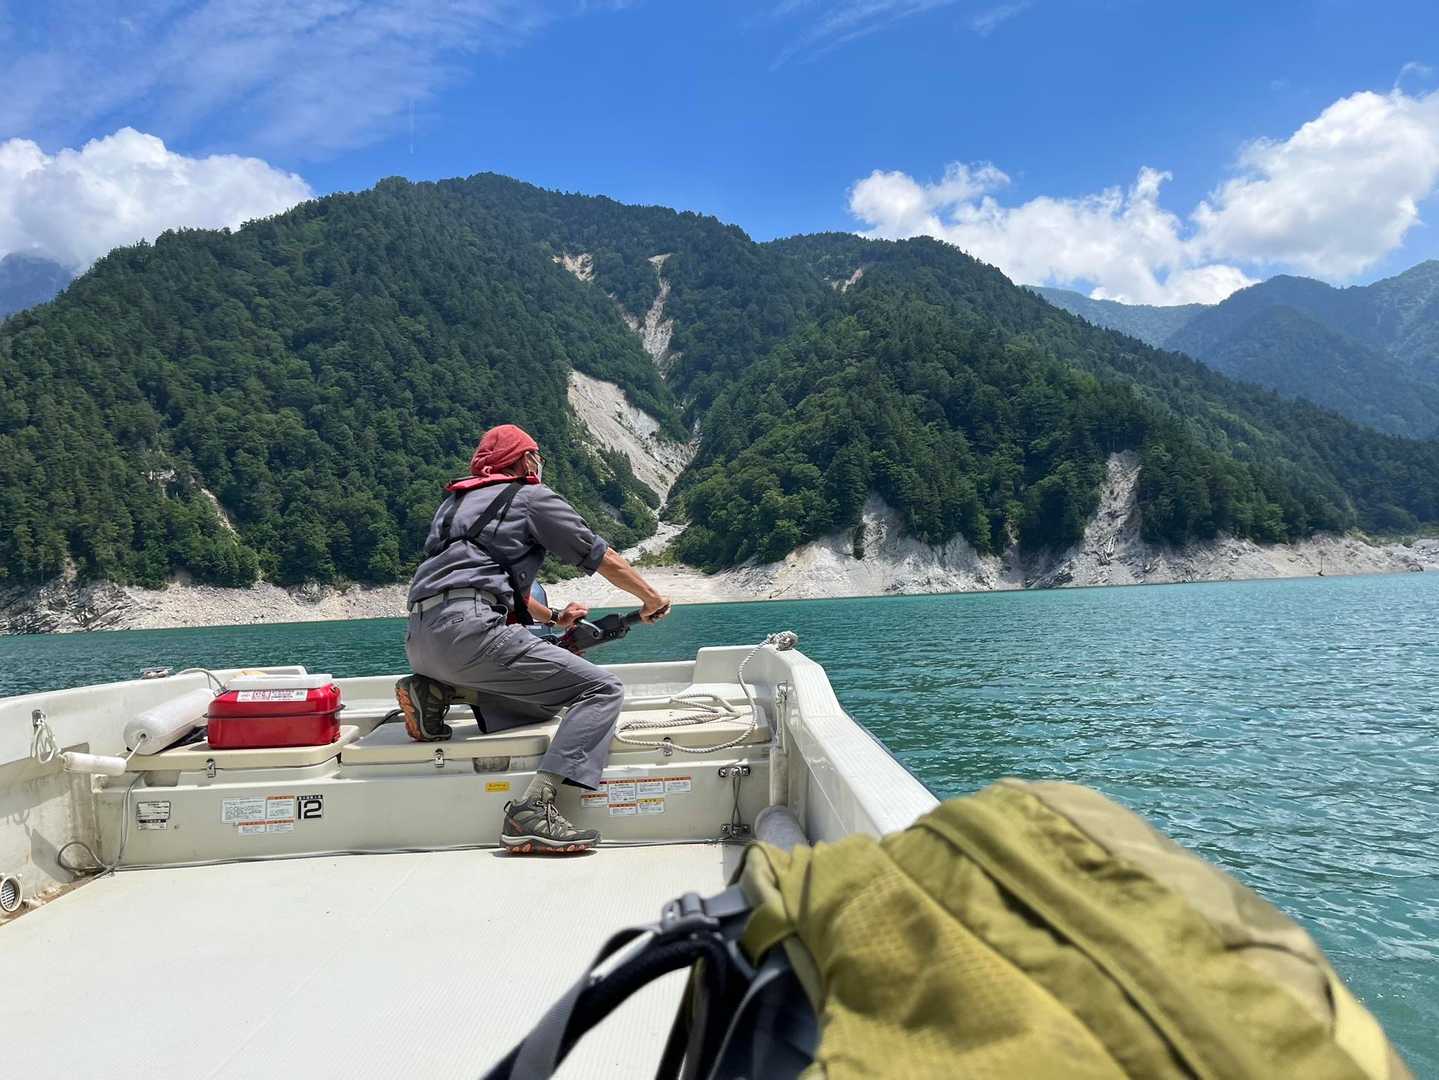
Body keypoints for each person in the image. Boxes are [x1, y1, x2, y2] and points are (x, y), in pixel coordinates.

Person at [397, 423, 671, 854]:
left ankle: (438, 691)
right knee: (602, 690)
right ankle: (533, 809)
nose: (539, 464)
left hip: (420, 640)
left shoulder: (453, 505)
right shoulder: (529, 497)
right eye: (537, 456)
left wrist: (555, 618)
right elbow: (599, 555)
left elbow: (487, 579)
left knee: (541, 703)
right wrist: (650, 598)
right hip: (471, 632)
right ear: (525, 459)